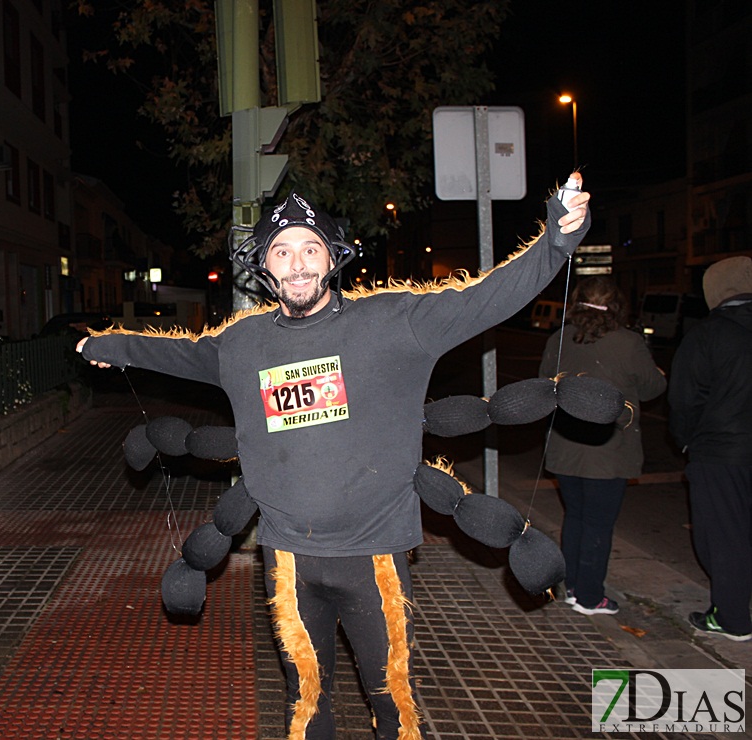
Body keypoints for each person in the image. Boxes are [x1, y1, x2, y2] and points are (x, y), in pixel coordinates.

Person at [76, 177, 590, 740]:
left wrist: (557, 243)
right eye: (281, 251)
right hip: (289, 559)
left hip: (373, 560)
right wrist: (109, 346)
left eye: (309, 249)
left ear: (331, 258)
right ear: (266, 268)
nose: (296, 265)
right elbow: (175, 353)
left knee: (393, 701)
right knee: (306, 702)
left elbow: (485, 299)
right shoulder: (243, 345)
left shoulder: (394, 325)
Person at [538, 276, 667, 617]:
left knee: (576, 516)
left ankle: (575, 587)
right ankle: (592, 598)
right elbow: (653, 387)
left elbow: (543, 385)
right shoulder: (628, 342)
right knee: (598, 523)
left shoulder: (558, 339)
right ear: (617, 305)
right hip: (609, 450)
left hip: (566, 447)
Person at [668, 255, 752, 642]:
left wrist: (686, 440)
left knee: (723, 536)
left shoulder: (707, 334)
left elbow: (685, 397)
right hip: (727, 448)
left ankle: (732, 619)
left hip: (722, 452)